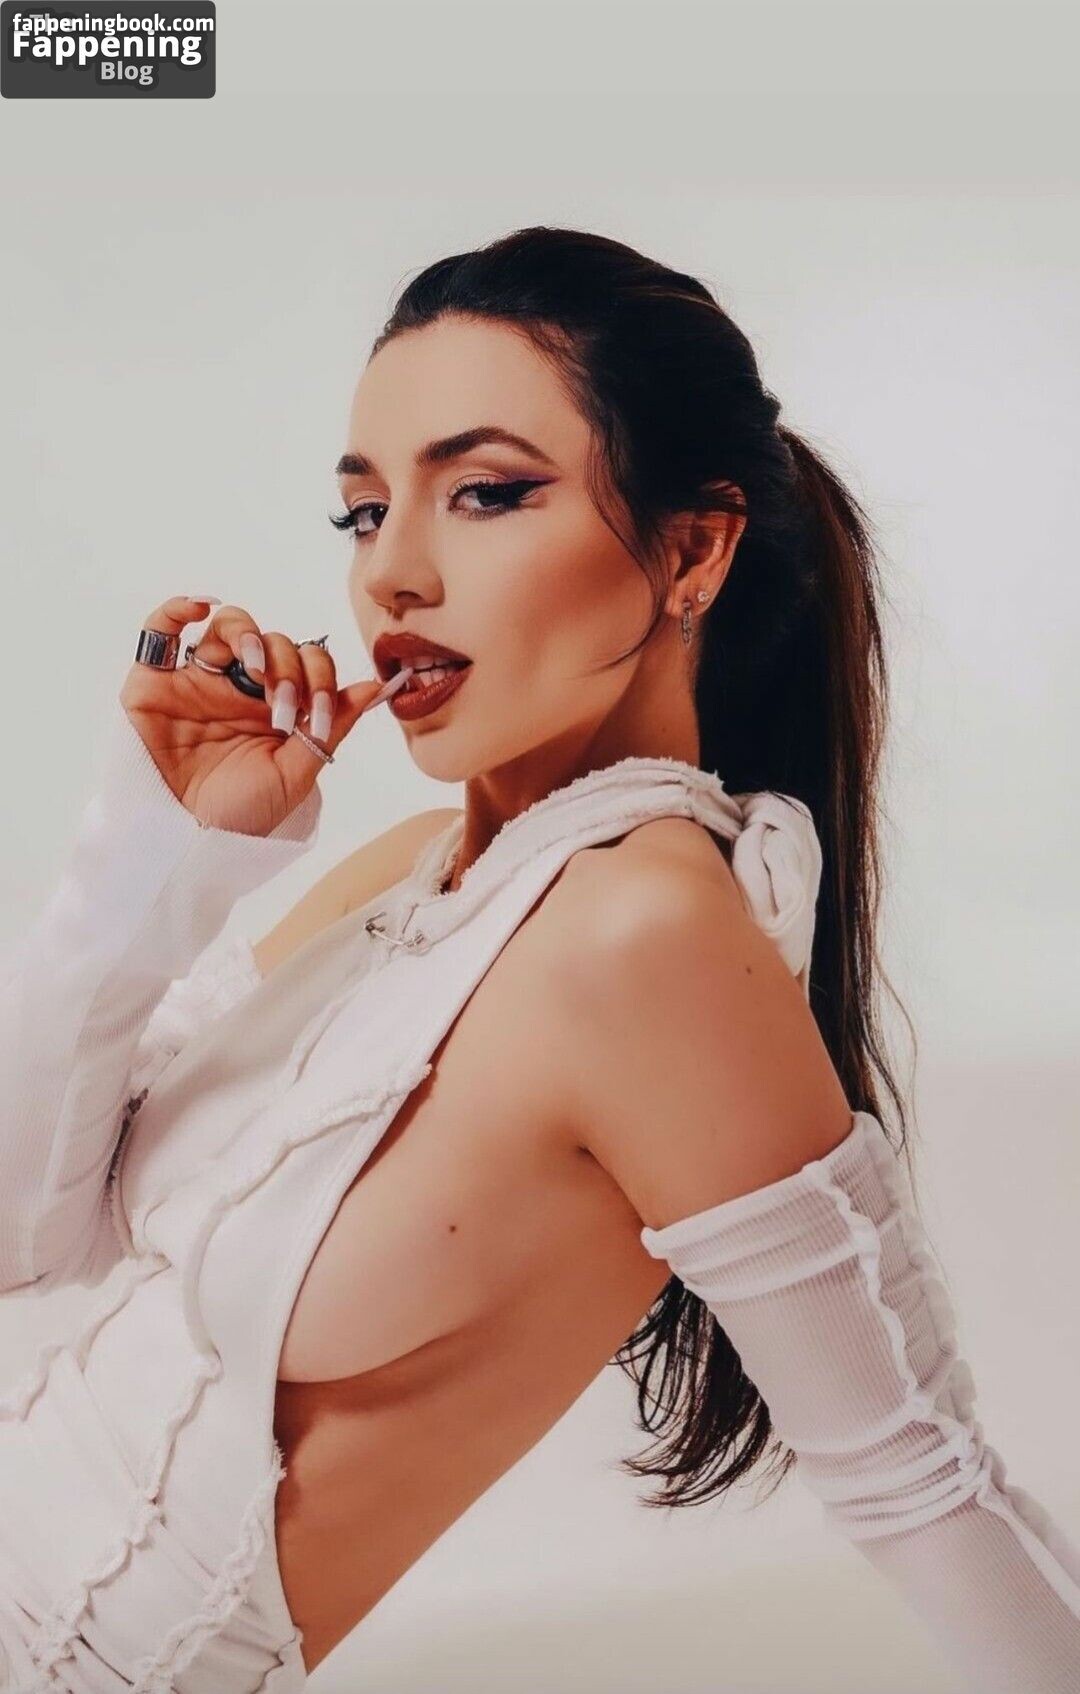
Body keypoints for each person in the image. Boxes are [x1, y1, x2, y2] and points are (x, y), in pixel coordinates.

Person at [1, 224, 1077, 1693]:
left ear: (692, 550)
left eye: (489, 493)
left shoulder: (649, 934)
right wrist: (153, 856)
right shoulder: (408, 876)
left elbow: (921, 1481)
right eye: (364, 511)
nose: (395, 574)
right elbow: (26, 1236)